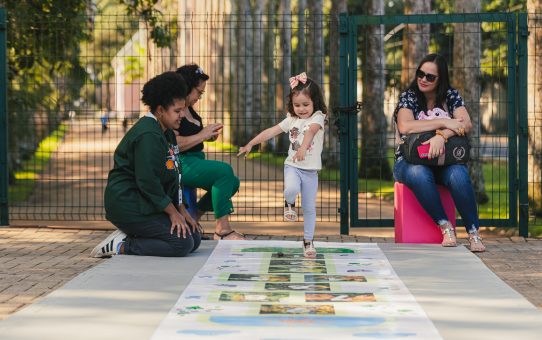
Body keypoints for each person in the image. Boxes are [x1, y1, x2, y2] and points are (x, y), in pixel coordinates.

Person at [90, 71, 202, 258]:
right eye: (177, 111)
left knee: (194, 237)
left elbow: (175, 174)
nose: (182, 115)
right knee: (181, 244)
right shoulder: (148, 135)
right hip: (129, 204)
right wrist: (173, 214)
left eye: (182, 109)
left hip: (147, 203)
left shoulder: (166, 132)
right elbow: (148, 181)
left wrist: (182, 210)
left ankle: (136, 234)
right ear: (159, 110)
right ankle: (122, 244)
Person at [393, 53, 485, 252]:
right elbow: (405, 126)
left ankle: (473, 232)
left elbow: (466, 123)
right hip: (408, 162)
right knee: (419, 173)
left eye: (430, 77)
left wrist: (441, 136)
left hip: (443, 162)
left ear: (440, 79)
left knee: (459, 175)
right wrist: (444, 121)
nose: (423, 79)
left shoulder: (451, 96)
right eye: (420, 74)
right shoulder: (409, 96)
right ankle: (445, 226)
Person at [237, 72, 327, 258]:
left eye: (305, 105)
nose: (301, 109)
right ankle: (289, 203)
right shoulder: (291, 120)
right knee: (291, 188)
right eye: (297, 105)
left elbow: (310, 132)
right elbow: (271, 131)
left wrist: (303, 148)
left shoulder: (318, 117)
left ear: (315, 103)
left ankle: (308, 242)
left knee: (310, 208)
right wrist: (251, 143)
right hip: (292, 166)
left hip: (311, 171)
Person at [174, 64, 244, 240]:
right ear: (186, 87)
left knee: (233, 182)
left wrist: (208, 135)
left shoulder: (189, 108)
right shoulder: (175, 110)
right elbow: (174, 144)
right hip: (182, 162)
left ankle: (193, 217)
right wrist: (201, 135)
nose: (200, 96)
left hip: (195, 159)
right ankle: (223, 230)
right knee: (224, 171)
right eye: (198, 92)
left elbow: (194, 135)